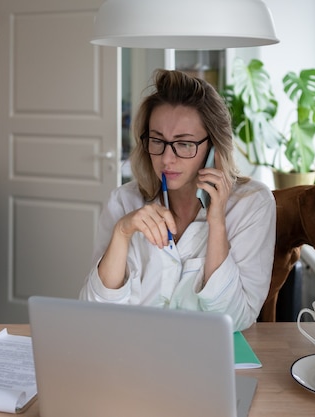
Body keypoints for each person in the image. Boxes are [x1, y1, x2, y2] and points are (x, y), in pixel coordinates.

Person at [79, 69, 276, 331]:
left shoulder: (252, 204)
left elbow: (236, 319)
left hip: (206, 360)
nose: (166, 159)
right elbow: (94, 313)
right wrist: (122, 232)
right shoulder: (123, 201)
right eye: (157, 140)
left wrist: (216, 223)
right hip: (130, 355)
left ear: (214, 147)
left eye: (184, 144)